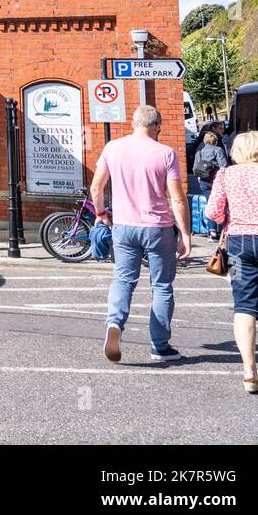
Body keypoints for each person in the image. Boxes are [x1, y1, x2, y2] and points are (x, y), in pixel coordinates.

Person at [91, 105, 192, 364]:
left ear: (134, 123)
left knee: (123, 280)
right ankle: (159, 346)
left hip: (124, 226)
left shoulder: (113, 148)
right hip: (158, 228)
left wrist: (102, 214)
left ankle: (114, 324)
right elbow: (178, 199)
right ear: (157, 125)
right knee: (161, 286)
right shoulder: (166, 154)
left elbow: (96, 186)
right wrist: (185, 234)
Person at [205, 130, 258, 394]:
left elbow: (213, 212)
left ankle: (249, 371)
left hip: (238, 245)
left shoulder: (226, 175)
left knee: (244, 306)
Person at [192, 130, 231, 241]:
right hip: (215, 180)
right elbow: (223, 166)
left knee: (210, 204)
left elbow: (195, 167)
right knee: (223, 204)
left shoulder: (200, 151)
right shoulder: (218, 150)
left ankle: (212, 232)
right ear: (215, 141)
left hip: (204, 181)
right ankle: (223, 229)